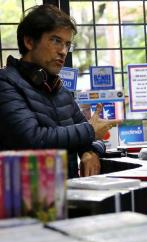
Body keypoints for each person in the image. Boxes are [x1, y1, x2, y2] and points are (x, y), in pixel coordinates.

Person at [0, 4, 121, 178]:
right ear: (29, 42)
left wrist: (89, 152)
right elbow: (32, 140)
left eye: (67, 44)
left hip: (66, 194)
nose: (63, 51)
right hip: (24, 199)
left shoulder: (59, 89)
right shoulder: (5, 83)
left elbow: (90, 137)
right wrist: (89, 131)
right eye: (55, 40)